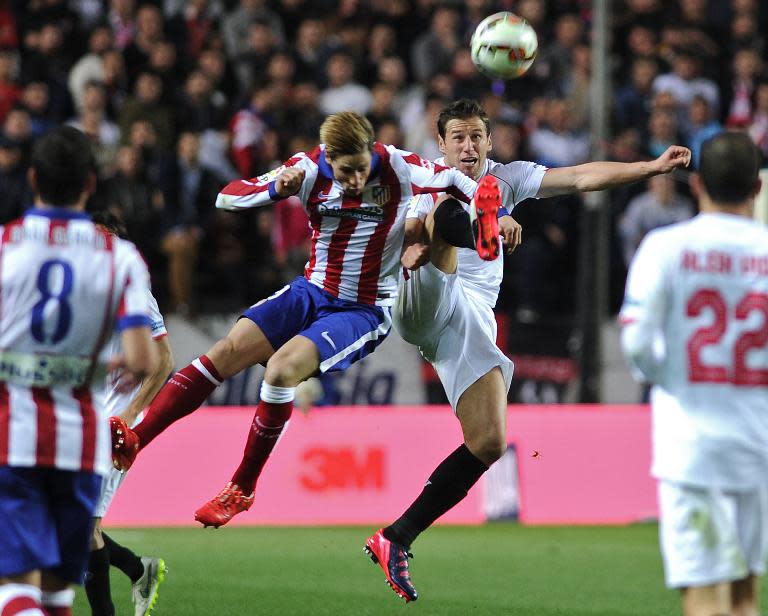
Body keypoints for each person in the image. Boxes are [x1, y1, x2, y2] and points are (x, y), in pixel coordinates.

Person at [363, 98, 692, 602]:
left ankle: (396, 537)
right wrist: (427, 235)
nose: (468, 146)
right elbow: (399, 231)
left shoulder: (508, 176)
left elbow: (581, 176)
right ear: (441, 144)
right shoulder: (424, 175)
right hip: (424, 293)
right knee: (442, 211)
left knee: (489, 442)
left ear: (490, 142)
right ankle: (478, 228)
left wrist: (649, 167)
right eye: (458, 138)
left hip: (469, 321)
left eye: (476, 137)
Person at [110, 111, 499, 529]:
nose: (352, 180)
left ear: (371, 152)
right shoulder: (307, 168)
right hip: (310, 289)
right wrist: (277, 187)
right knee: (225, 351)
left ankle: (242, 487)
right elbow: (229, 196)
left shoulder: (399, 166)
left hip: (363, 308)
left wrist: (490, 212)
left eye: (360, 169)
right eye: (344, 171)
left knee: (280, 372)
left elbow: (464, 183)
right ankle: (137, 439)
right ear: (329, 157)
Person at [0, 126, 157, 616]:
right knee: (56, 596)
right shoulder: (120, 256)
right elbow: (143, 360)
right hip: (82, 443)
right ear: (90, 183)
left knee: (14, 589)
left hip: (16, 435)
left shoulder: (5, 246)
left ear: (32, 179)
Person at [620, 132, 768, 616]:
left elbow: (637, 341)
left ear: (697, 183)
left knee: (705, 599)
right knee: (745, 598)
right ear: (758, 189)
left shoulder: (665, 248)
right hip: (760, 448)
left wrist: (672, 378)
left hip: (693, 452)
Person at [85, 212, 174, 616]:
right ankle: (139, 569)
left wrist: (131, 414)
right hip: (81, 422)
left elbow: (164, 361)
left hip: (114, 425)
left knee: (85, 528)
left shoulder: (133, 294)